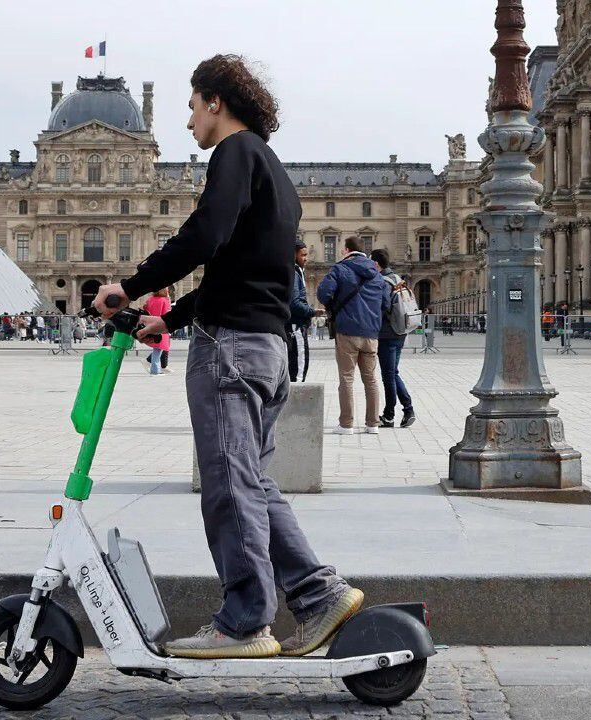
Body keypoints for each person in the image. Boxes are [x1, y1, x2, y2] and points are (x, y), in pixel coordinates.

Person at [91, 54, 361, 659]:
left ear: (216, 101)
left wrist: (129, 287)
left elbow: (203, 237)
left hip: (231, 352)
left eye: (192, 107)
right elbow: (238, 272)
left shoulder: (233, 154)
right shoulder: (274, 171)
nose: (189, 122)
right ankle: (318, 596)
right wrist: (167, 318)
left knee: (229, 486)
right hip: (267, 347)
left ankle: (244, 619)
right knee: (255, 483)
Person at [318, 236, 391, 434]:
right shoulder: (377, 274)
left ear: (346, 250)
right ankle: (372, 424)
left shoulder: (340, 269)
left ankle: (346, 424)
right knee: (371, 379)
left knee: (347, 379)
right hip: (371, 334)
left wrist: (336, 304)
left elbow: (323, 293)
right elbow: (386, 303)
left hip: (347, 331)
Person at [370, 248, 415, 427]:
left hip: (387, 333)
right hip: (401, 331)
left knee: (388, 375)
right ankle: (407, 409)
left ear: (376, 264)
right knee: (393, 373)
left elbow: (383, 306)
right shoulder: (397, 278)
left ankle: (390, 415)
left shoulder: (381, 281)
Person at [287, 239, 318, 382]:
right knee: (298, 371)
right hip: (296, 326)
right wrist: (312, 311)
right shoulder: (294, 273)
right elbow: (294, 303)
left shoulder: (295, 272)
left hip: (294, 325)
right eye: (303, 255)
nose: (306, 259)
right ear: (293, 255)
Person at [141, 287, 172, 375]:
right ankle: (155, 370)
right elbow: (167, 314)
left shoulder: (150, 299)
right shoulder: (164, 300)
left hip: (151, 325)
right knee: (159, 347)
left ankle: (154, 367)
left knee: (158, 347)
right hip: (162, 325)